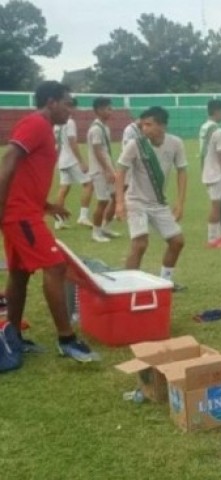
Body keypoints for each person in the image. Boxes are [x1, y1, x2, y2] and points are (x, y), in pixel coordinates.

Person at [0, 81, 100, 362]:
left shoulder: (45, 128)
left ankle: (14, 336)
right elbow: (9, 161)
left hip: (25, 210)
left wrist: (47, 205)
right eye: (68, 104)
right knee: (55, 266)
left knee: (19, 274)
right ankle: (67, 339)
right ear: (51, 102)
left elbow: (25, 173)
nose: (71, 110)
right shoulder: (35, 124)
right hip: (19, 214)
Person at [114, 107, 187, 286]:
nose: (144, 128)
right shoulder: (135, 144)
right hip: (136, 201)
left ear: (162, 126)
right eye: (142, 125)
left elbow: (182, 172)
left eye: (148, 124)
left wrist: (180, 203)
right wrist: (119, 203)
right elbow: (120, 171)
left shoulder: (176, 143)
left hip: (159, 203)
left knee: (177, 242)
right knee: (140, 244)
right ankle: (128, 286)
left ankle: (165, 282)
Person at [53, 97, 93, 229]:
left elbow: (57, 144)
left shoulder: (56, 124)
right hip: (71, 159)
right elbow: (72, 142)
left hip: (62, 160)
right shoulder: (69, 122)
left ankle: (58, 221)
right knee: (88, 184)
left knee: (64, 188)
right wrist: (81, 161)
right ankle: (83, 216)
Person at [87, 96, 120, 242]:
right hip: (99, 170)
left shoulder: (104, 127)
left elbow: (105, 151)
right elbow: (97, 150)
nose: (111, 111)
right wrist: (107, 169)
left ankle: (105, 228)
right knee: (102, 201)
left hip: (107, 168)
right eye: (108, 108)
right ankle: (96, 232)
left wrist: (111, 168)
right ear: (99, 110)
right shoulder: (96, 129)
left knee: (114, 197)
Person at [199, 98, 221, 248]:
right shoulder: (218, 131)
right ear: (217, 111)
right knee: (217, 207)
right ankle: (212, 239)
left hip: (207, 171)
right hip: (216, 174)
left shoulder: (204, 127)